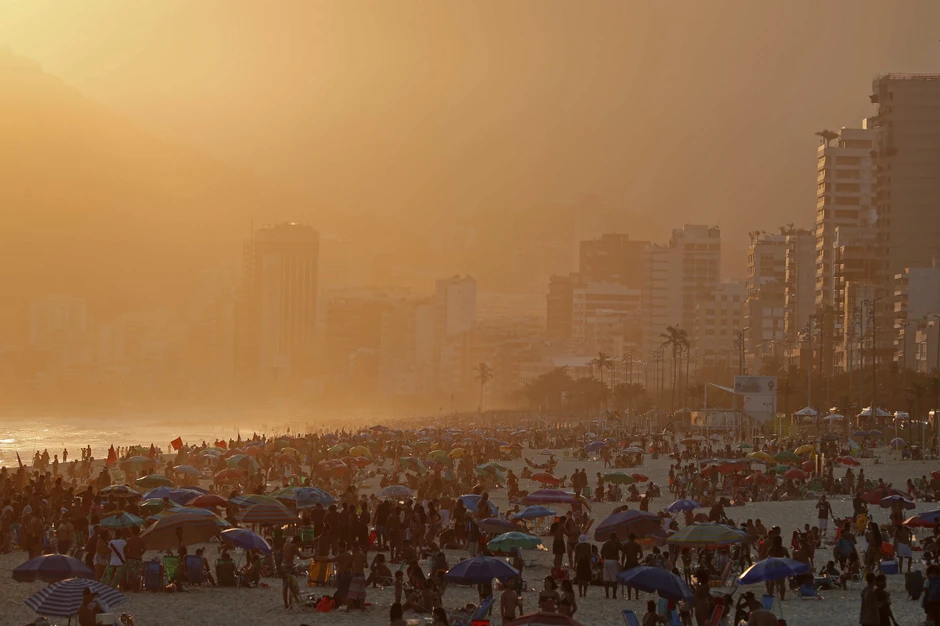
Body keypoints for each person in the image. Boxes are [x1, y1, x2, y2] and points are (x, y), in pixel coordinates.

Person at [281, 535, 314, 608]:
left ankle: (286, 604)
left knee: (285, 587)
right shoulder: (294, 546)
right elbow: (301, 557)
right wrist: (311, 556)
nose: (300, 544)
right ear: (297, 541)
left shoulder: (286, 544)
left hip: (283, 565)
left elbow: (285, 556)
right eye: (300, 542)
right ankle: (290, 604)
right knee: (291, 585)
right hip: (288, 567)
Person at [601, 533, 622, 599]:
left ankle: (607, 594)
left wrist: (603, 559)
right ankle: (614, 594)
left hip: (606, 560)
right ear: (615, 537)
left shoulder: (606, 543)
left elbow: (601, 552)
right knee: (614, 579)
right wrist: (619, 541)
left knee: (606, 578)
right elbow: (623, 549)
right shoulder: (617, 543)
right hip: (613, 560)